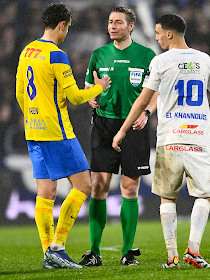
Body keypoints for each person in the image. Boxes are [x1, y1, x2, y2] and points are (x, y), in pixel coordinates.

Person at [112, 13, 210, 268]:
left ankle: (172, 257)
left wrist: (122, 130)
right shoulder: (204, 60)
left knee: (167, 197)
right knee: (203, 196)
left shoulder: (161, 62)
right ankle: (193, 251)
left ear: (169, 34)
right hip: (198, 138)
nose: (156, 36)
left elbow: (142, 100)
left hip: (170, 139)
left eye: (158, 32)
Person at [15, 3, 110, 269]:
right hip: (57, 133)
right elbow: (74, 97)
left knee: (46, 191)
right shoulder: (56, 55)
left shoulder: (27, 51)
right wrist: (98, 88)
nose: (66, 32)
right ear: (61, 25)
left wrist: (34, 117)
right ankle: (57, 247)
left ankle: (48, 253)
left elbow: (20, 95)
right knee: (83, 185)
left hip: (32, 130)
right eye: (67, 27)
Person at [79, 7, 157, 267]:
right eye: (110, 22)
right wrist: (91, 95)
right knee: (99, 187)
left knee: (130, 188)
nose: (112, 26)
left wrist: (146, 111)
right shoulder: (99, 55)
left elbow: (155, 92)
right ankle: (94, 252)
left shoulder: (146, 55)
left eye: (118, 22)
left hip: (134, 126)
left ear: (131, 26)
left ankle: (127, 252)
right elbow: (89, 85)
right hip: (104, 124)